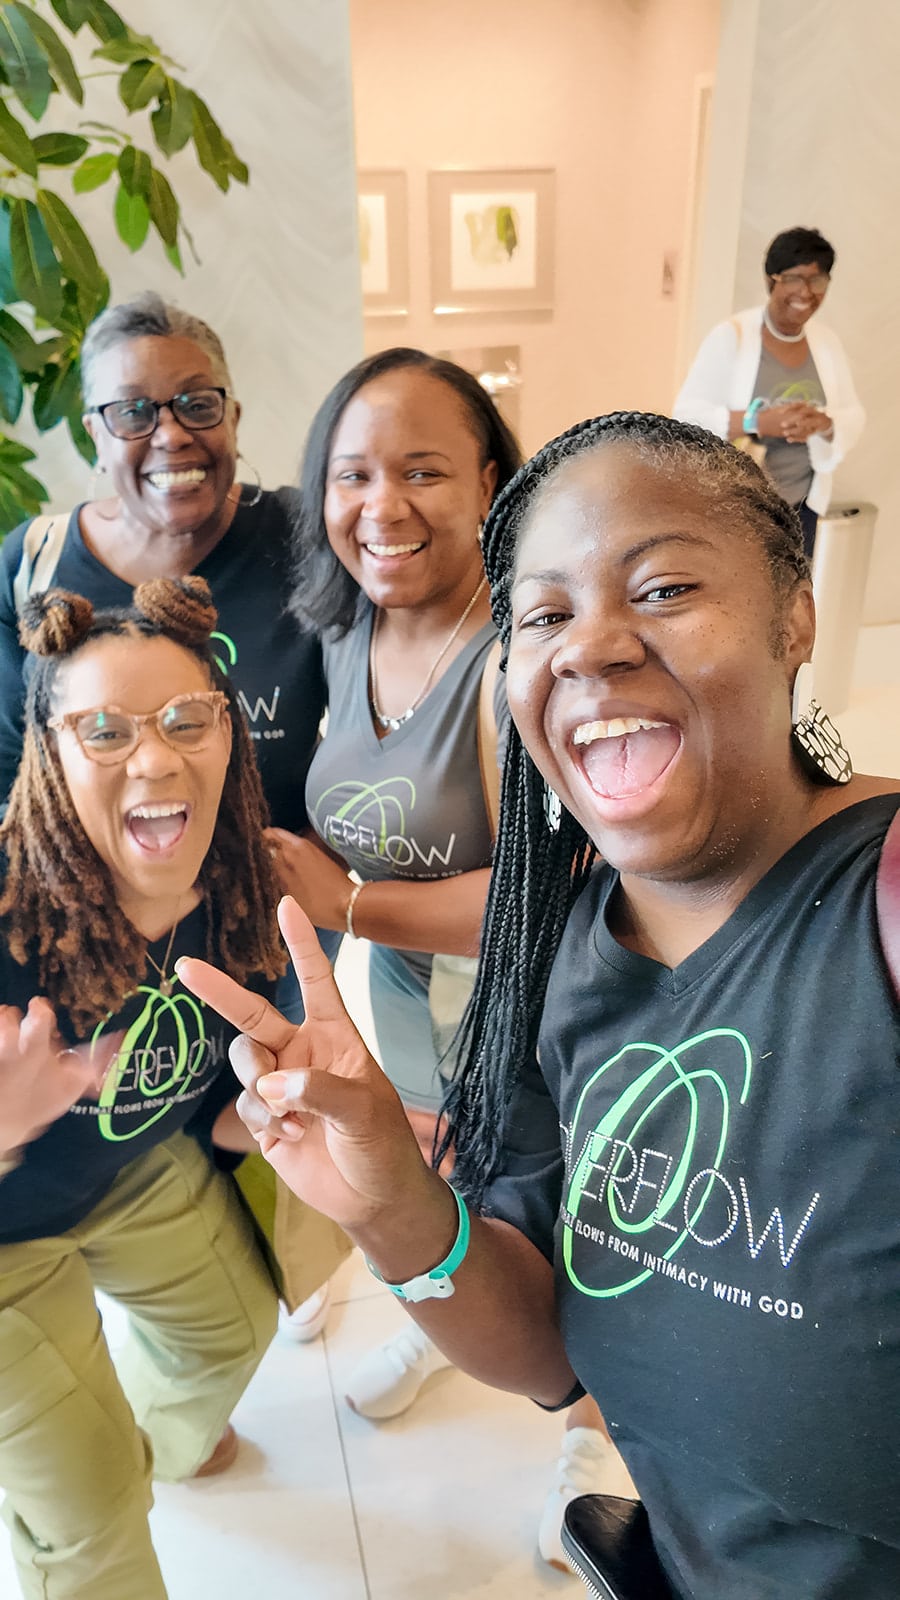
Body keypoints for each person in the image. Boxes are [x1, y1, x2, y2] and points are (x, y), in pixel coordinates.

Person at [181, 412, 900, 1599]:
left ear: (795, 617)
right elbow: (546, 1351)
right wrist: (390, 1200)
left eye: (663, 588)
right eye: (544, 615)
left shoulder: (878, 902)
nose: (591, 645)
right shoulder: (558, 950)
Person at [269, 346, 628, 1561]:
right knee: (451, 1167)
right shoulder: (343, 626)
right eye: (354, 473)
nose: (384, 505)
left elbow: (554, 887)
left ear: (489, 483)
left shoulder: (518, 651)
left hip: (526, 993)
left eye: (422, 470)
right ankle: (454, 1322)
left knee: (564, 1202)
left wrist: (351, 904)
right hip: (411, 987)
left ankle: (590, 1424)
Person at [0, 577, 287, 1600]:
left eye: (184, 720)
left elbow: (237, 1089)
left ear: (228, 734)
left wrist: (287, 1113)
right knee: (91, 1518)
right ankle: (91, 1479)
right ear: (52, 755)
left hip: (133, 1168)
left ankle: (143, 1442)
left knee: (237, 1326)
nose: (156, 758)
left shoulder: (246, 889)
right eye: (106, 730)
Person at [0, 290, 332, 1022]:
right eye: (133, 412)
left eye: (197, 404)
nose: (171, 434)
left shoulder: (304, 539)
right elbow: (9, 775)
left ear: (233, 416)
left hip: (269, 931)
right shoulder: (32, 564)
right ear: (94, 433)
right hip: (94, 953)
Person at [674, 226, 864, 559]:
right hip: (739, 508)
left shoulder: (826, 343)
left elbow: (853, 414)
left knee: (794, 589)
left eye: (817, 280)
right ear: (770, 280)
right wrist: (759, 422)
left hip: (802, 508)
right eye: (793, 278)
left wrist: (822, 423)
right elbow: (687, 416)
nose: (806, 291)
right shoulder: (731, 336)